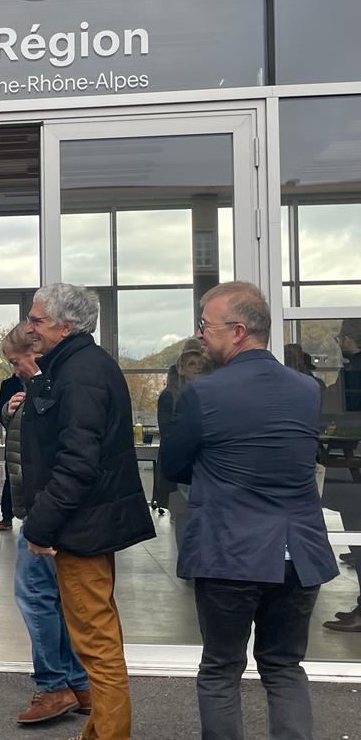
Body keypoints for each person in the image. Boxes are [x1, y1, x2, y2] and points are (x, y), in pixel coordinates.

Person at [161, 281, 339, 739]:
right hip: (298, 554)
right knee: (284, 667)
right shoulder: (307, 389)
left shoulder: (203, 394)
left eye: (205, 325)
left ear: (238, 331)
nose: (199, 334)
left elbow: (174, 464)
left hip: (229, 553)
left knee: (221, 669)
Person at [20, 282, 155, 740]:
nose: (29, 328)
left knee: (97, 644)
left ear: (66, 326)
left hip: (82, 528)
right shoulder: (76, 366)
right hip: (87, 524)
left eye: (37, 320)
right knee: (96, 637)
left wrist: (39, 526)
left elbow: (78, 462)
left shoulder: (80, 373)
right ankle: (97, 731)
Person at [0, 324, 91, 725]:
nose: (15, 370)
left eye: (16, 361)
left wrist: (41, 521)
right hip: (47, 511)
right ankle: (78, 683)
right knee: (57, 599)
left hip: (44, 514)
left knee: (36, 597)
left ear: (35, 355)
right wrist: (10, 413)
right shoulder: (40, 390)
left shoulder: (52, 391)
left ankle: (53, 686)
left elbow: (53, 455)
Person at [320, 318, 361, 632]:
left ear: (349, 339)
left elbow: (346, 416)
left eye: (340, 337)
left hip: (353, 466)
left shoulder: (353, 373)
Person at [156, 339, 207, 550]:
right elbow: (168, 433)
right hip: (180, 469)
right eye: (192, 364)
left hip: (201, 467)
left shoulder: (206, 393)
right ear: (181, 369)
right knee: (183, 517)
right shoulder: (170, 396)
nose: (197, 368)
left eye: (200, 364)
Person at [0, 369, 24, 531]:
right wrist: (11, 425)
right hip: (14, 438)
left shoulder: (43, 380)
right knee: (11, 478)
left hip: (35, 439)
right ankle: (6, 517)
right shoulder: (8, 384)